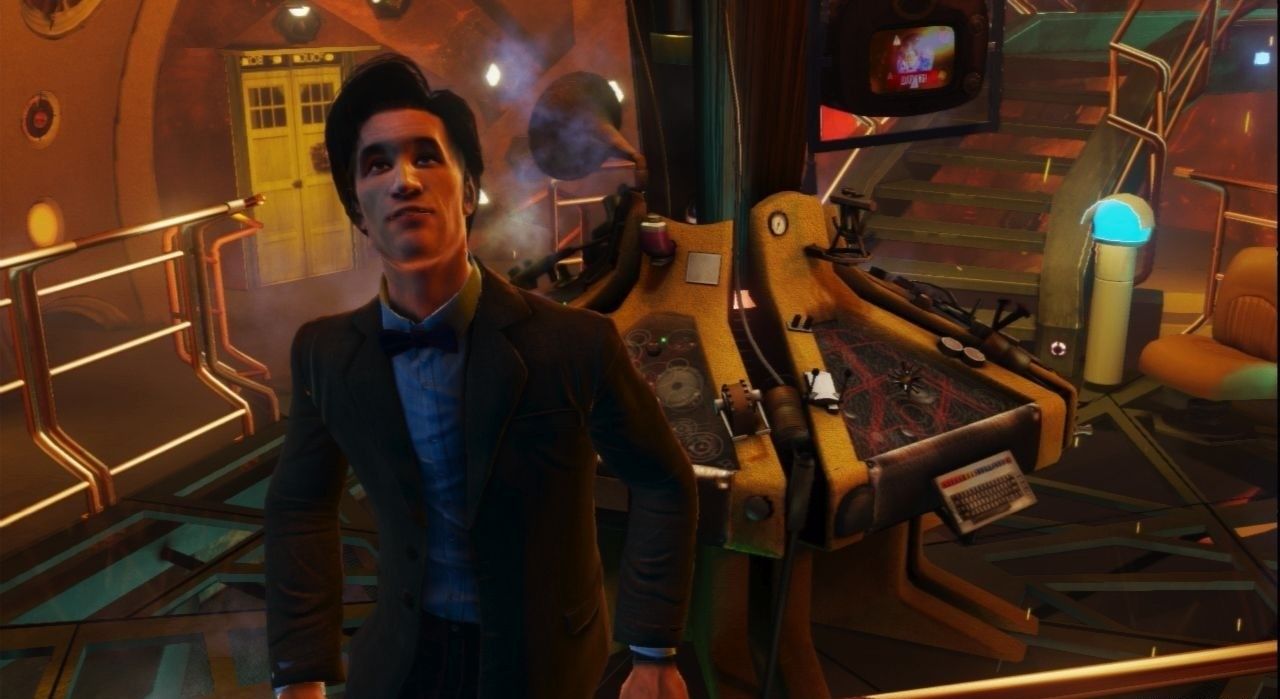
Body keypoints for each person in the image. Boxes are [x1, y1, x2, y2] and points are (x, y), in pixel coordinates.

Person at [265, 53, 698, 699]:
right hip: (399, 660)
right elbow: (300, 505)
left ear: (468, 192)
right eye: (376, 164)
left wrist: (653, 650)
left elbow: (663, 479)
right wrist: (300, 670)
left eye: (426, 157)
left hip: (544, 663)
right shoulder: (324, 353)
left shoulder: (575, 343)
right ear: (358, 210)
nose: (404, 180)